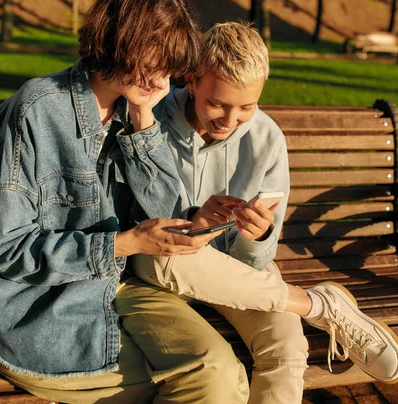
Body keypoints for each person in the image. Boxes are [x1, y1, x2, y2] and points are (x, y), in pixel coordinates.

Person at [0, 0, 250, 404]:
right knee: (207, 388)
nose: (160, 78)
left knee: (219, 373)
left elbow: (167, 212)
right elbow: (8, 249)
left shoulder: (136, 112)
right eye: (153, 58)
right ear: (116, 39)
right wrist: (123, 242)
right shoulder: (37, 111)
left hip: (121, 285)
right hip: (44, 307)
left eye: (169, 66)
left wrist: (144, 124)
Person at [127, 21, 398, 404]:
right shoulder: (151, 122)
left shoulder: (267, 138)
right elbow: (140, 224)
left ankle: (317, 307)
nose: (229, 119)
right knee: (166, 260)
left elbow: (256, 263)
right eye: (217, 103)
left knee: (288, 347)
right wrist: (195, 223)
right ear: (191, 78)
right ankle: (320, 305)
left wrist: (258, 238)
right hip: (167, 267)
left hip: (242, 275)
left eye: (246, 107)